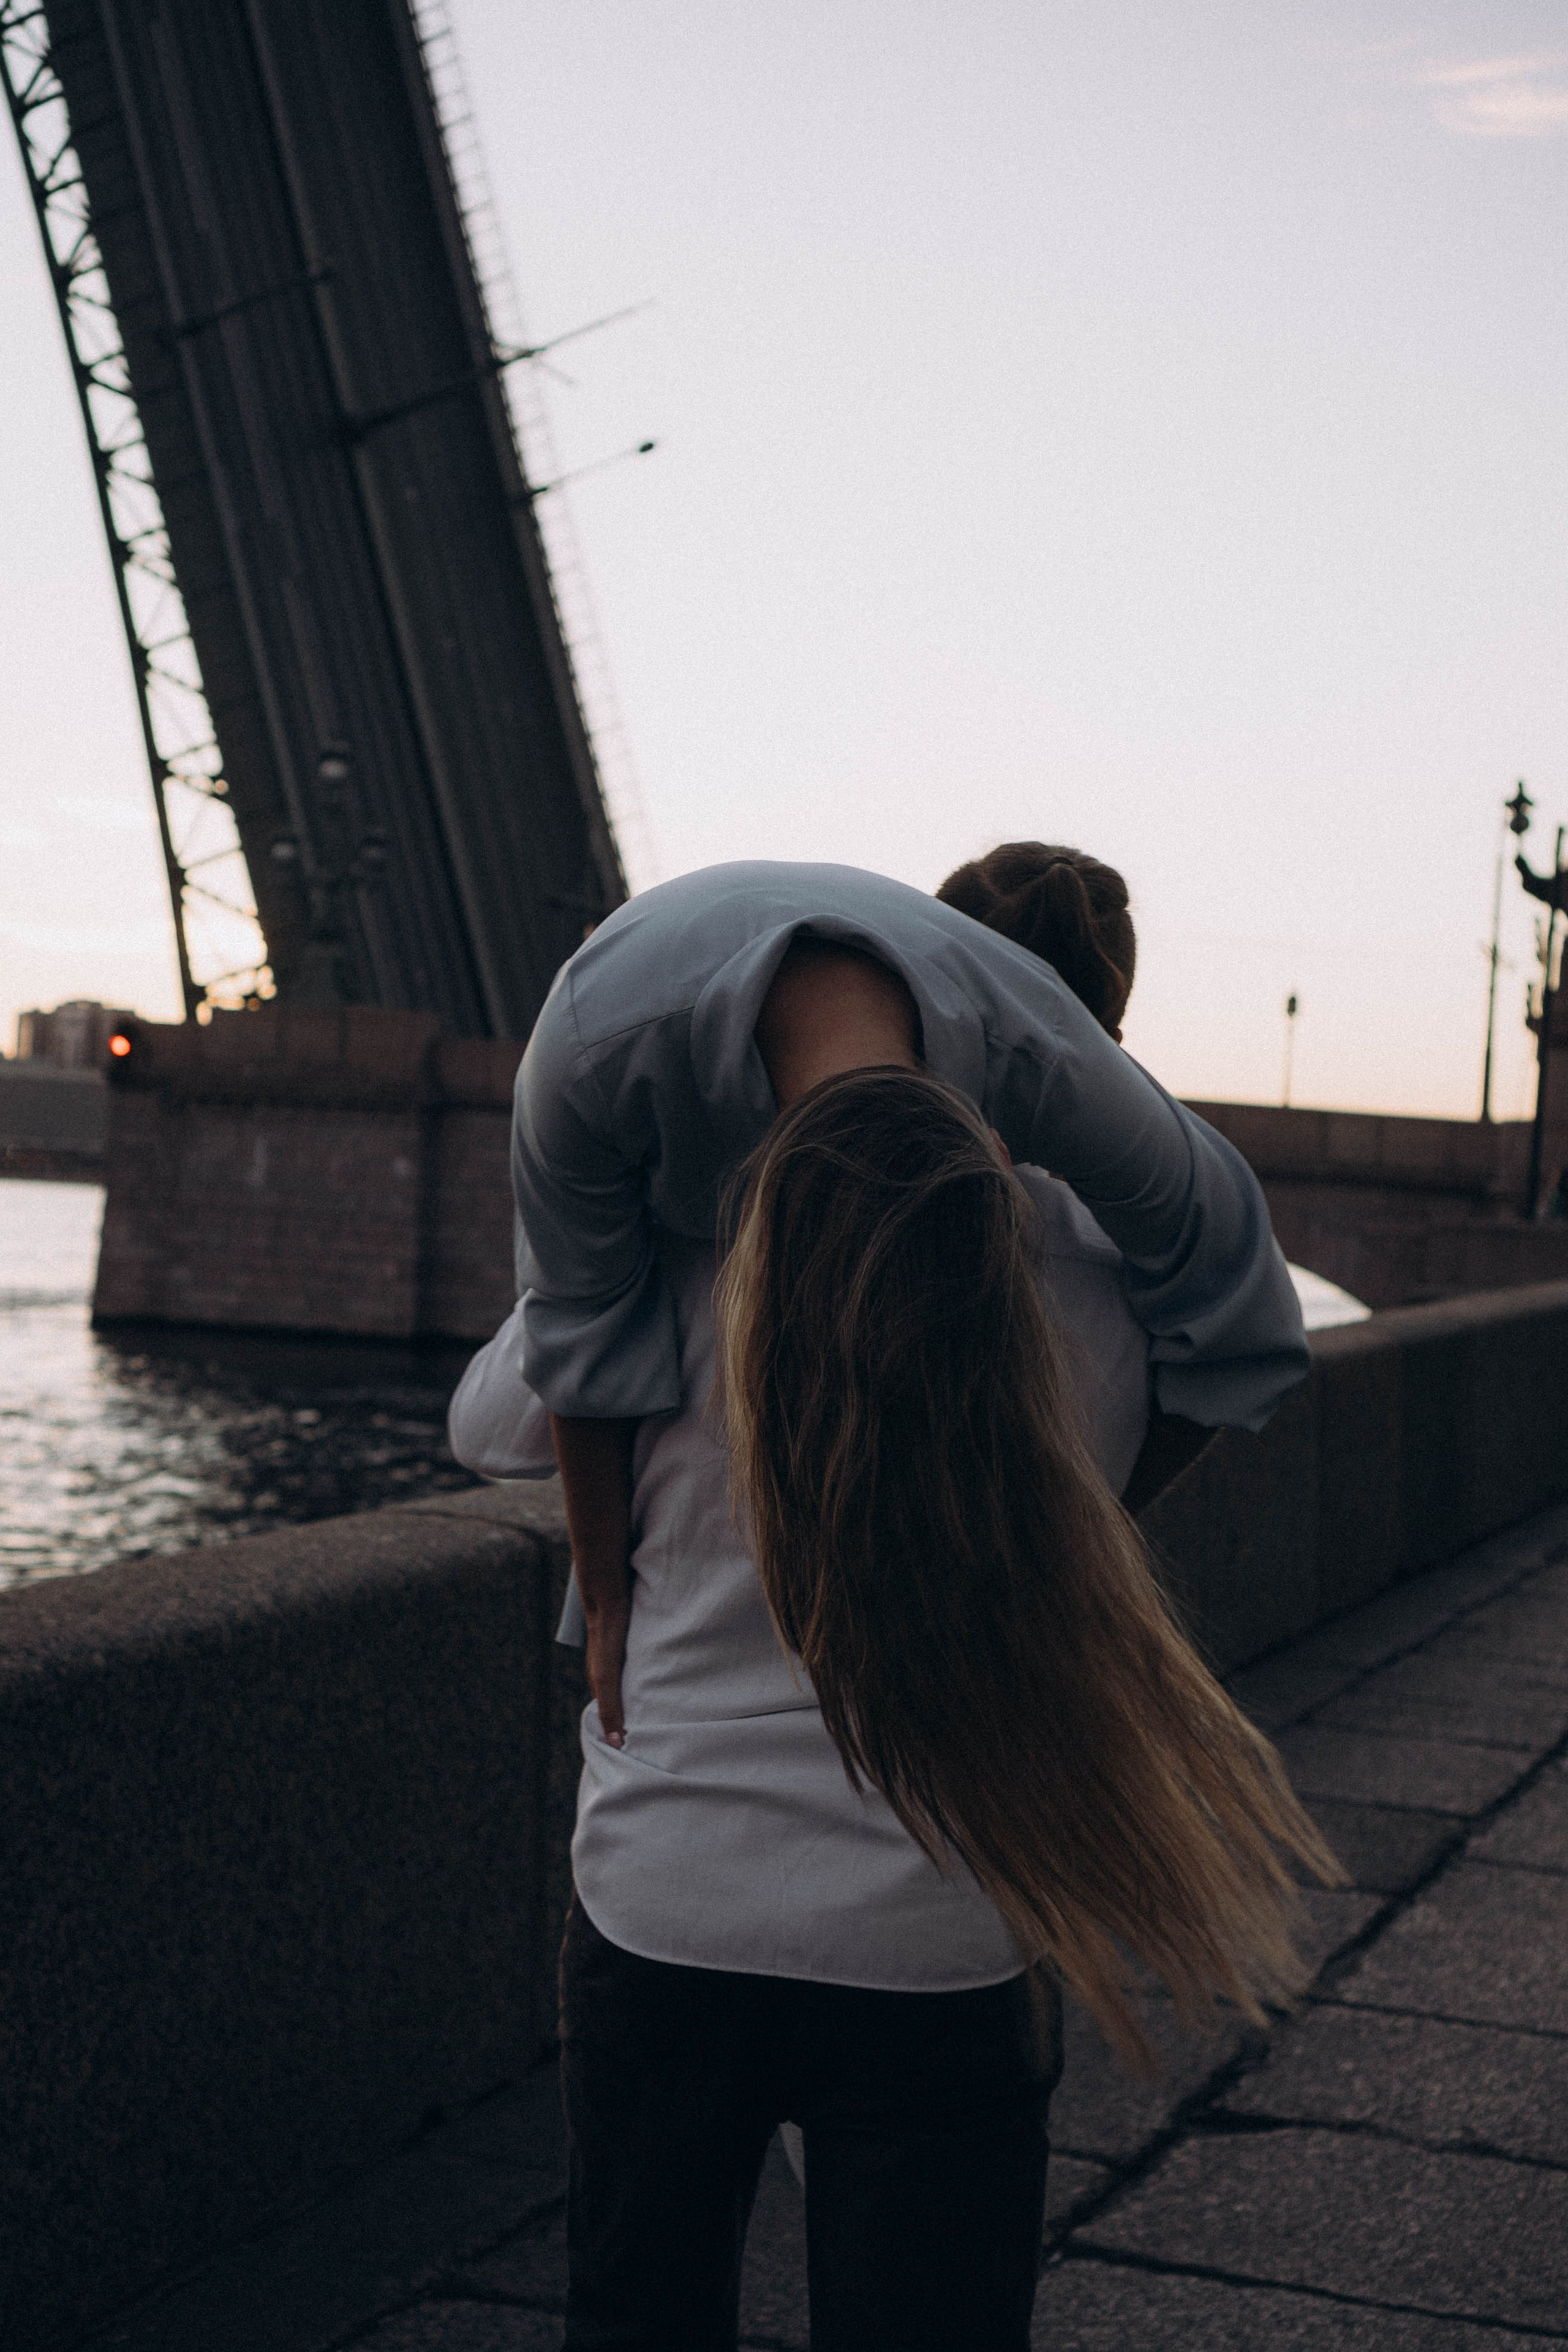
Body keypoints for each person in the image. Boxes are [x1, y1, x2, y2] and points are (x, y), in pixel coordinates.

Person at [451, 858, 1335, 2351]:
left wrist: (613, 1571)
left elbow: (492, 1420)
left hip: (665, 1893)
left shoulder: (699, 1222)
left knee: (637, 2316)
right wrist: (1068, 1552)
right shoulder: (1130, 1291)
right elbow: (1251, 1347)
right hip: (939, 1924)